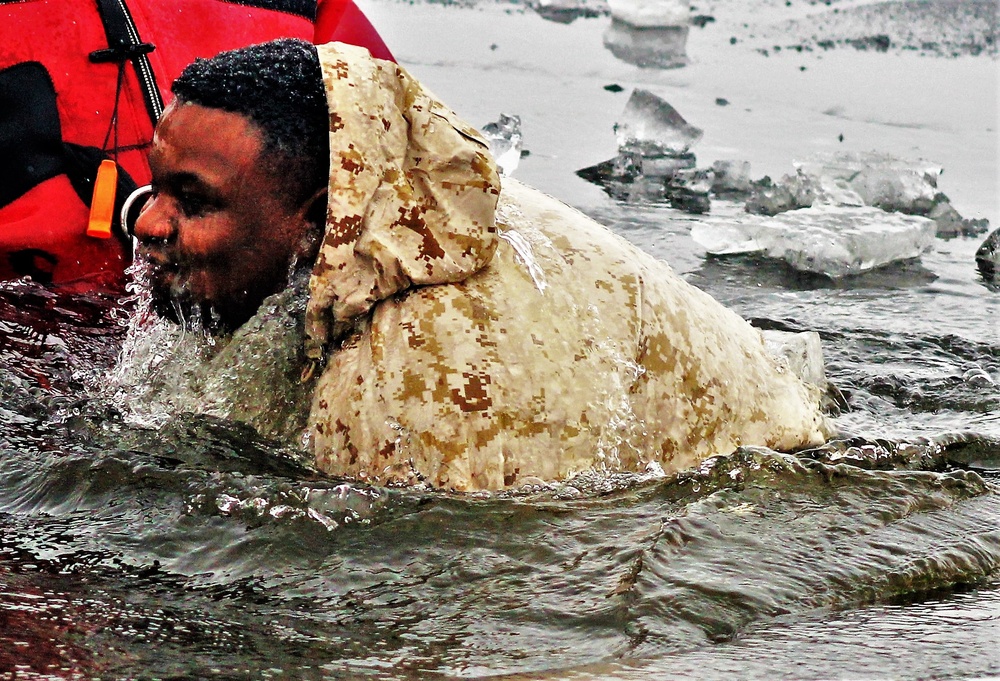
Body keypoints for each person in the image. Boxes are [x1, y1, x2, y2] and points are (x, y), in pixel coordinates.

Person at [128, 38, 832, 491]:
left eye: (192, 200)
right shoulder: (398, 211)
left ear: (318, 223)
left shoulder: (423, 374)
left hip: (779, 475)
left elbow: (488, 578)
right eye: (154, 187)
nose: (147, 222)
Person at [0, 0, 392, 291]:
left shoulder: (309, 8)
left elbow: (400, 185)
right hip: (43, 345)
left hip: (270, 328)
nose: (146, 224)